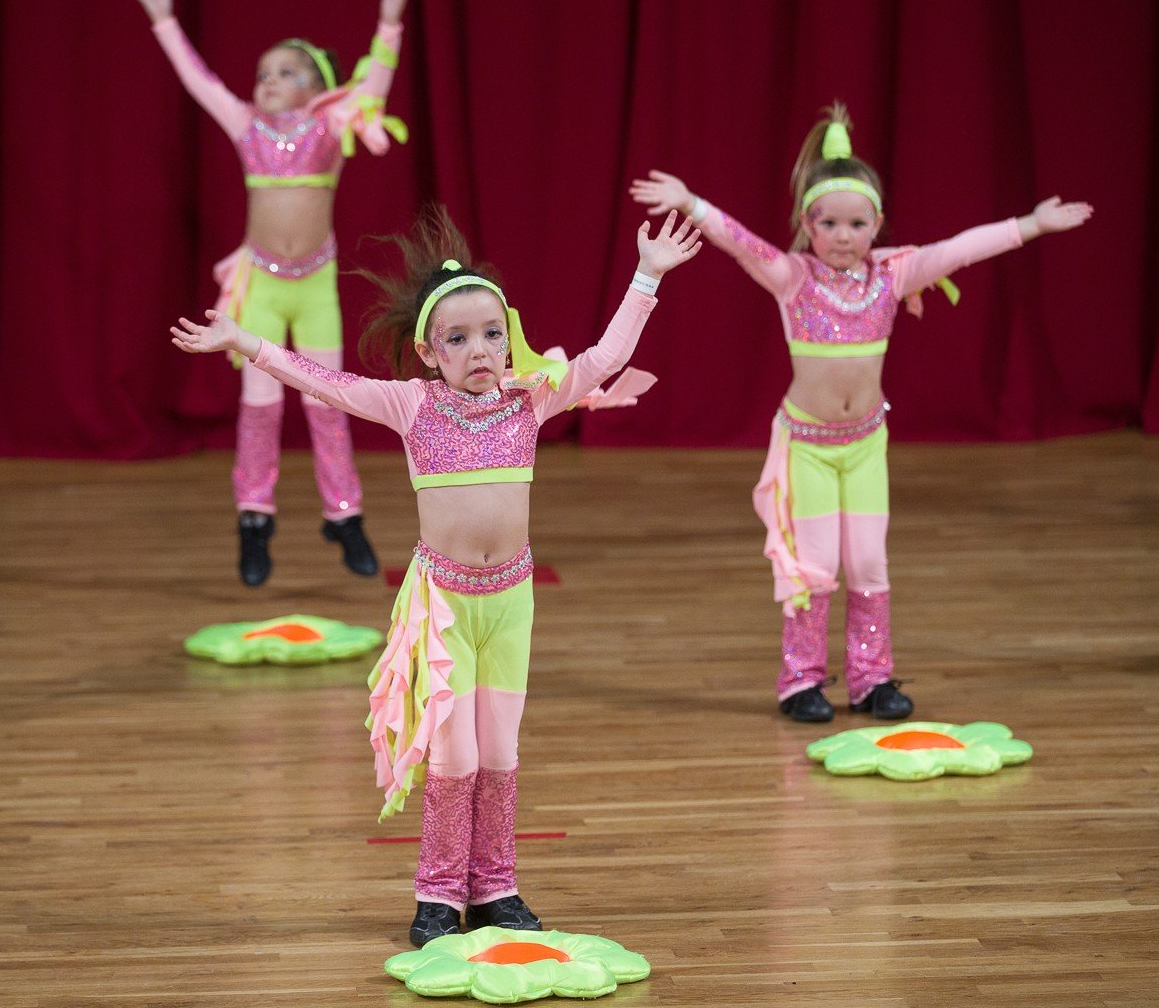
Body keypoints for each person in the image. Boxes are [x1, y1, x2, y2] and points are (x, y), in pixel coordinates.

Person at [170, 206, 701, 945]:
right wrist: (246, 341)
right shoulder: (412, 405)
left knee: (501, 752)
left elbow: (605, 357)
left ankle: (497, 888)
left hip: (510, 604)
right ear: (428, 351)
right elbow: (325, 381)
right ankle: (439, 894)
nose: (479, 350)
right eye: (457, 339)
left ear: (508, 337)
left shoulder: (531, 398)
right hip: (444, 605)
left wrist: (647, 275)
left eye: (492, 333)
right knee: (455, 756)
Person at [630, 103, 1091, 723]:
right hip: (810, 447)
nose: (842, 236)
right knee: (816, 567)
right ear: (807, 224)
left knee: (869, 563)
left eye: (856, 223)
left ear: (876, 225)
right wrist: (691, 203)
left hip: (866, 443)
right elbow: (739, 242)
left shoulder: (894, 276)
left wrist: (1031, 224)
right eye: (828, 223)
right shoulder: (792, 278)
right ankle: (800, 682)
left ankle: (872, 680)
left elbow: (959, 250)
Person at [128, 0, 415, 584]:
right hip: (260, 285)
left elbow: (373, 85)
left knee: (328, 402)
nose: (268, 81)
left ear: (319, 87)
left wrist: (389, 25)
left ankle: (344, 515)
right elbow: (200, 82)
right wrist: (164, 21)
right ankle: (254, 518)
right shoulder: (245, 125)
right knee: (259, 408)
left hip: (315, 288)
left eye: (285, 72)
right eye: (263, 73)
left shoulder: (331, 129)